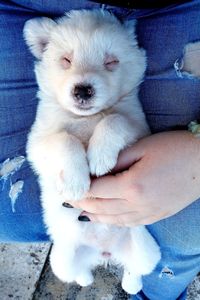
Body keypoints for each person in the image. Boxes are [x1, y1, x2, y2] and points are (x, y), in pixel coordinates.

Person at [0, 1, 199, 299]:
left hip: (175, 6)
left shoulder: (123, 96)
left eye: (110, 64)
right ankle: (85, 271)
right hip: (28, 4)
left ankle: (149, 289)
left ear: (133, 59)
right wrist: (67, 150)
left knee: (182, 233)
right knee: (28, 232)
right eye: (65, 61)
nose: (83, 80)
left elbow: (132, 131)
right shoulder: (53, 102)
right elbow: (40, 148)